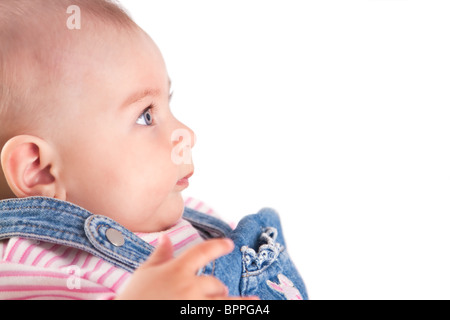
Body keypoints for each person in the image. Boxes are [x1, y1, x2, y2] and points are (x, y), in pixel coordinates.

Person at [0, 0, 307, 300]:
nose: (186, 134)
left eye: (167, 104)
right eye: (145, 115)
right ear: (39, 168)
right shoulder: (32, 271)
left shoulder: (193, 218)